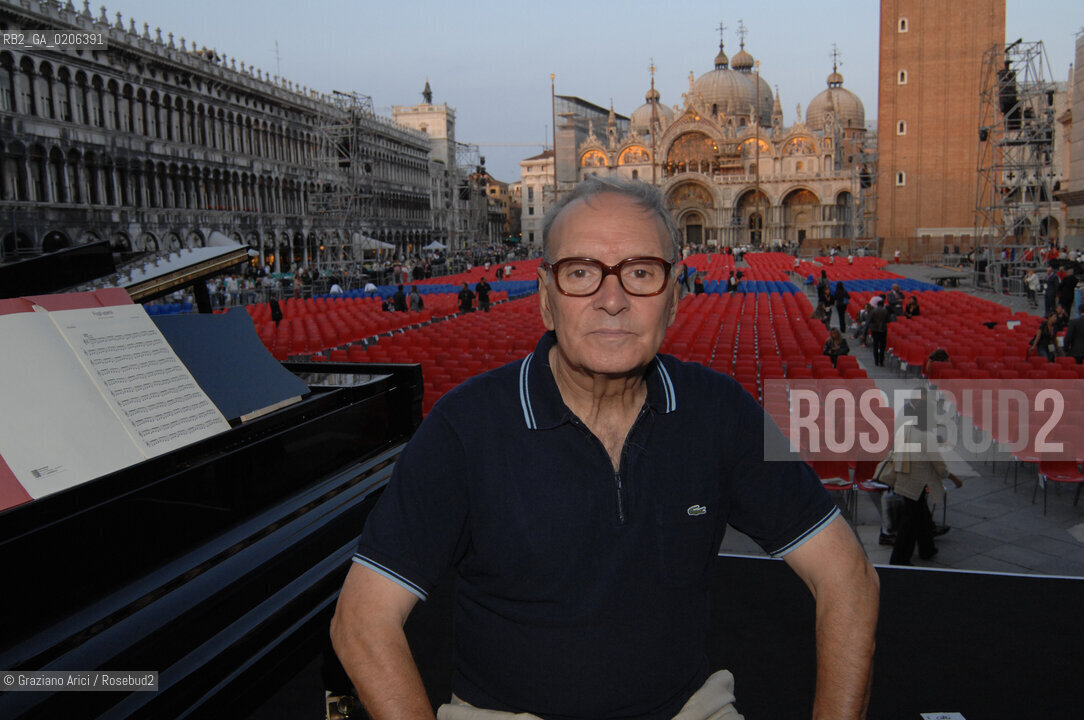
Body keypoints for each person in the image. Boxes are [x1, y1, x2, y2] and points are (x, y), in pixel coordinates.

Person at [331, 177, 878, 720]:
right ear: (546, 299)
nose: (612, 300)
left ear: (675, 297)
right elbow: (361, 621)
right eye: (580, 273)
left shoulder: (721, 413)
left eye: (641, 273)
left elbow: (848, 574)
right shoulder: (463, 428)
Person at [882, 396, 963, 566]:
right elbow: (939, 466)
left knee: (922, 516)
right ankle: (900, 559)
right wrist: (953, 478)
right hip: (916, 484)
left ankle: (927, 548)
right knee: (910, 522)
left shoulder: (908, 428)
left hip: (905, 479)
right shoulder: (927, 436)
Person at [868, 296, 889, 367]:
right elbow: (888, 320)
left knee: (875, 345)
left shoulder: (873, 311)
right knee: (882, 346)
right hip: (883, 329)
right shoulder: (885, 311)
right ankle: (881, 361)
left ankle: (876, 361)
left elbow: (870, 320)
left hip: (875, 329)